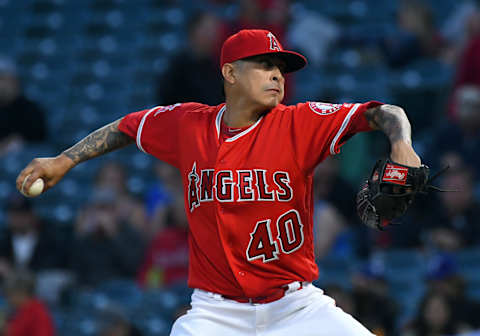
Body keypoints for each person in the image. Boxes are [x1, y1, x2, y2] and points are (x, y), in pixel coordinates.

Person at [16, 29, 422, 335]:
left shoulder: (301, 122)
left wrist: (401, 143)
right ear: (229, 72)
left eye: (280, 67)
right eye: (264, 65)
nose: (277, 75)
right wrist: (64, 160)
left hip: (296, 307)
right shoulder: (187, 124)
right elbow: (125, 127)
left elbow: (383, 112)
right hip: (215, 314)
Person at [2, 270, 55, 336]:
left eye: (10, 295)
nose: (9, 300)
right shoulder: (21, 311)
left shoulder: (38, 312)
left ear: (21, 293)